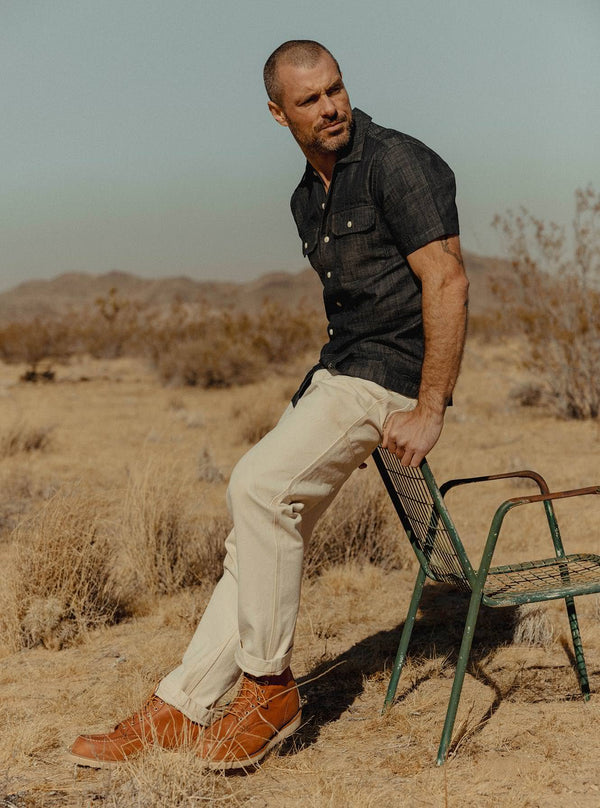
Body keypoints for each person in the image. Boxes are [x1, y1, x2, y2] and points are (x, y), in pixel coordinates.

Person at [68, 40, 468, 771]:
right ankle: (180, 709)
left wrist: (432, 404)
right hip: (341, 369)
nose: (332, 107)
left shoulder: (396, 163)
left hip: (387, 377)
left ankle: (270, 689)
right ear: (278, 112)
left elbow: (446, 279)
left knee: (257, 487)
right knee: (250, 543)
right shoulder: (304, 198)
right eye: (311, 99)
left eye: (337, 90)